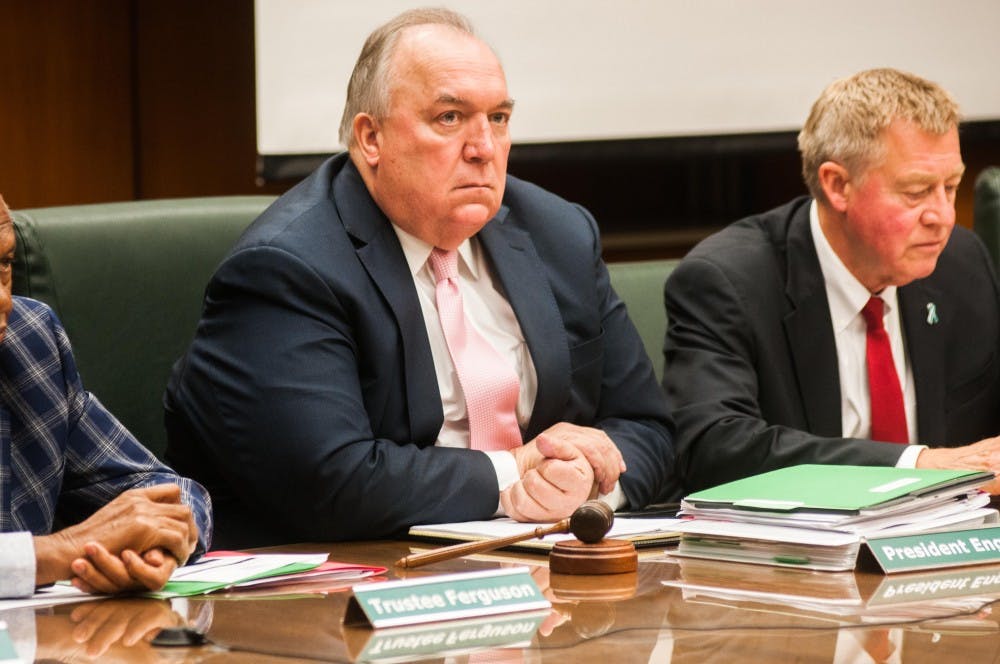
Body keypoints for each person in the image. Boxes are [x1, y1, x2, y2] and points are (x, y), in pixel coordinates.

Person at [164, 7, 675, 547]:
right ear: (371, 138)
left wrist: (588, 490)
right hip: (337, 586)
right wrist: (512, 474)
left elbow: (648, 428)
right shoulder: (287, 269)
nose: (483, 149)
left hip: (546, 570)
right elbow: (333, 481)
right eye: (450, 118)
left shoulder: (559, 234)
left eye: (498, 119)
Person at [662, 68, 1000, 493]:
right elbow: (712, 446)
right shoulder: (730, 282)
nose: (943, 216)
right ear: (838, 185)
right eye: (915, 192)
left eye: (950, 187)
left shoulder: (961, 265)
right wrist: (917, 464)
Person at [0, 195, 212, 598]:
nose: (3, 299)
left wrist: (157, 544)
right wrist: (60, 551)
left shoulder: (29, 344)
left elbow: (163, 489)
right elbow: (73, 546)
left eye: (4, 264)